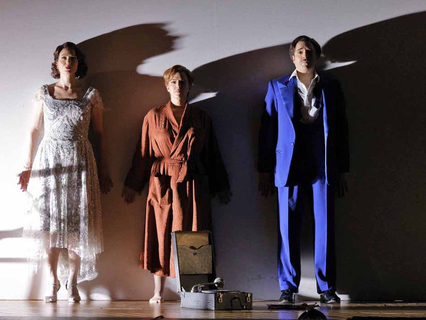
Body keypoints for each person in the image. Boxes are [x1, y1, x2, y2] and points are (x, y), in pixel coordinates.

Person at [122, 65, 232, 303]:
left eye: (182, 82)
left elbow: (212, 154)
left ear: (190, 86)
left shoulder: (201, 117)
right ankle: (158, 292)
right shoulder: (153, 116)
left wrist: (220, 184)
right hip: (162, 183)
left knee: (193, 234)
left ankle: (194, 293)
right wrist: (133, 183)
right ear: (166, 86)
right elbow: (143, 153)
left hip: (192, 182)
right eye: (173, 82)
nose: (178, 86)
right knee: (160, 231)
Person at [18, 42, 113, 303]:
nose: (68, 61)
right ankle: (52, 282)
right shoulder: (45, 92)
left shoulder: (90, 94)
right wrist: (27, 168)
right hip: (49, 162)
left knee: (77, 226)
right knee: (49, 224)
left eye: (72, 57)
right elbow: (33, 131)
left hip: (81, 161)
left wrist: (104, 169)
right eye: (63, 58)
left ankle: (71, 283)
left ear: (78, 63)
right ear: (57, 63)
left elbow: (100, 135)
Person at [258, 35, 349, 304]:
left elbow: (342, 130)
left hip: (323, 162)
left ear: (316, 56)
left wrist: (343, 169)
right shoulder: (277, 86)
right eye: (300, 51)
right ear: (292, 57)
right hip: (289, 164)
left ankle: (327, 288)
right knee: (287, 227)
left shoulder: (331, 86)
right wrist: (265, 170)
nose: (305, 55)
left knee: (325, 225)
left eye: (309, 51)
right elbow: (267, 130)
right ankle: (287, 288)